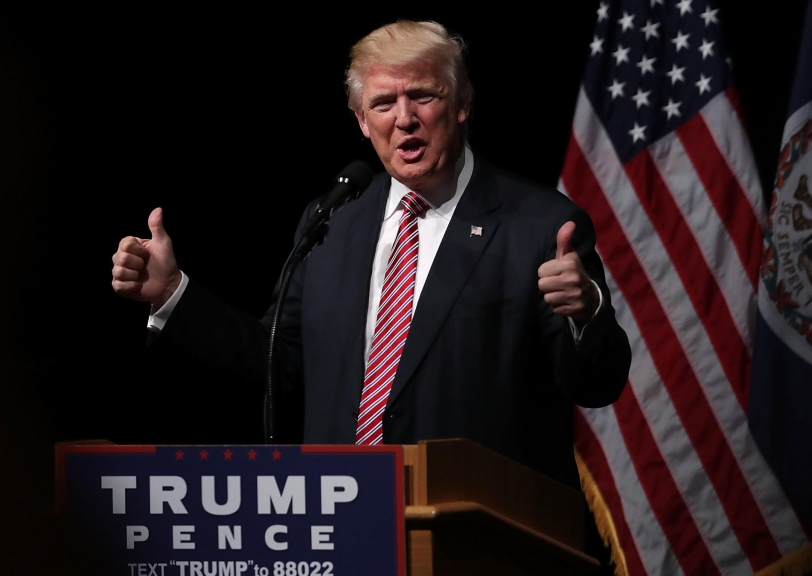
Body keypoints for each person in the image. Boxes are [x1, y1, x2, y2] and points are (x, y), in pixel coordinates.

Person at [110, 20, 630, 490]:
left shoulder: (539, 226)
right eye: (383, 103)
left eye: (423, 96)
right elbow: (276, 364)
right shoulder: (333, 222)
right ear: (362, 120)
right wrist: (175, 295)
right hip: (344, 521)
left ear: (462, 104)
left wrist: (587, 314)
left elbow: (596, 385)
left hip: (479, 532)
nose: (404, 118)